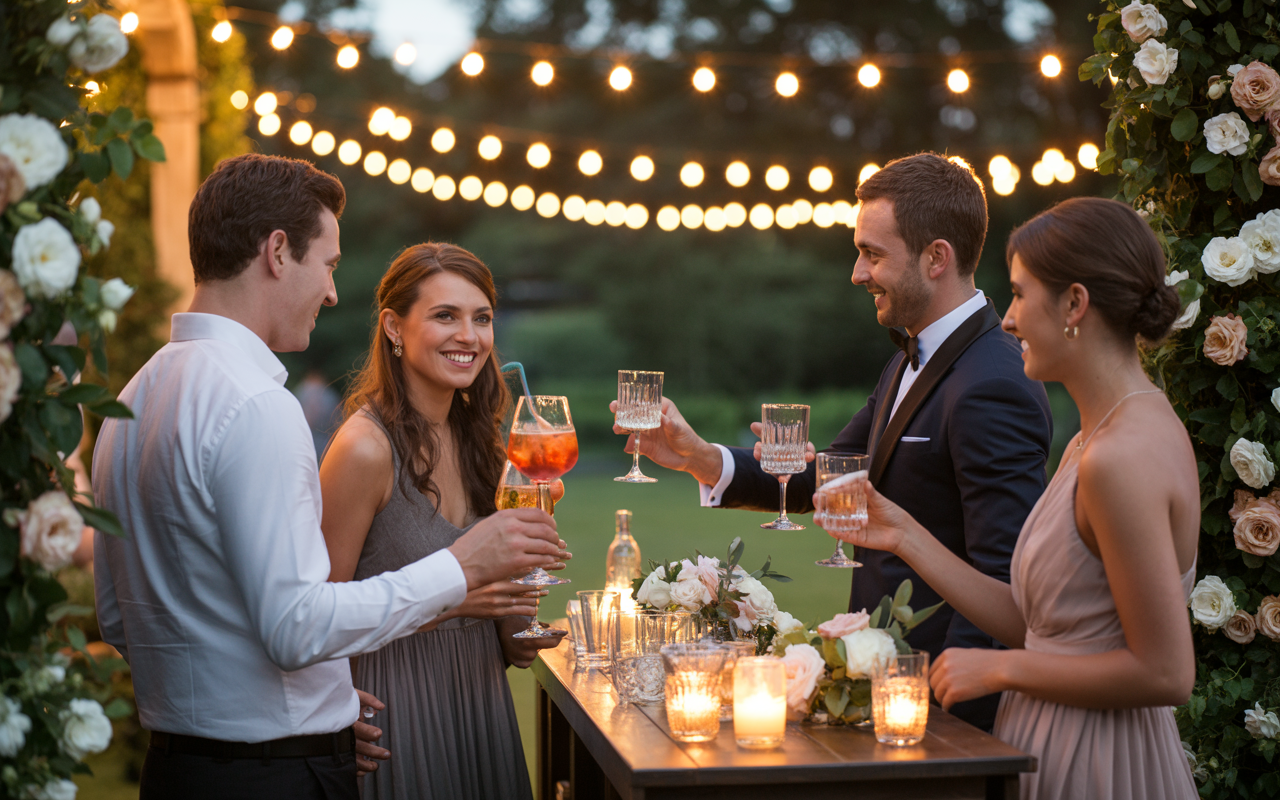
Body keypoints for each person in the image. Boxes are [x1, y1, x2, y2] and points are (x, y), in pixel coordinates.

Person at [92, 154, 565, 800]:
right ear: (277, 252)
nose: (334, 292)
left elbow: (118, 618)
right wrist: (460, 569)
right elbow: (297, 627)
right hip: (272, 777)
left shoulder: (133, 398)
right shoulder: (257, 404)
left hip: (177, 770)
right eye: (328, 264)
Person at [613, 153, 1052, 730]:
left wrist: (950, 722)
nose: (857, 273)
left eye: (873, 254)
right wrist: (698, 456)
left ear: (936, 257)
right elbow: (829, 478)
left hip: (939, 711)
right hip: (886, 695)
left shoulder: (994, 382)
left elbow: (1005, 581)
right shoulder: (908, 360)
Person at [827, 197, 1198, 799]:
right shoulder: (1099, 435)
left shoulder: (1120, 457)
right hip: (1047, 736)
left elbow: (1165, 673)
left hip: (1094, 759)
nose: (1008, 320)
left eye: (1021, 295)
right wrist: (904, 535)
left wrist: (1000, 667)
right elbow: (1041, 623)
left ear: (1074, 305)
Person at [319, 243, 562, 800]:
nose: (469, 336)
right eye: (445, 316)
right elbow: (319, 614)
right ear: (394, 327)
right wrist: (328, 713)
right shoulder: (364, 449)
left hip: (479, 699)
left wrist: (518, 614)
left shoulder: (482, 442)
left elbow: (505, 625)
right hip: (397, 707)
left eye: (482, 318)